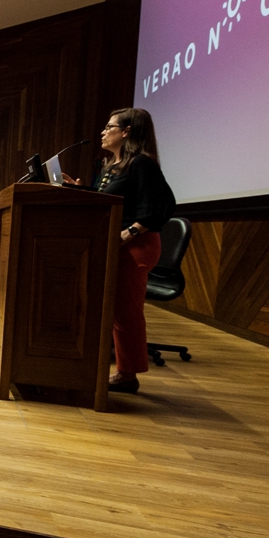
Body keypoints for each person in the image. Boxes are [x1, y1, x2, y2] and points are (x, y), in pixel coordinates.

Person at [71, 108, 176, 394]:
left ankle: (128, 375)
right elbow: (115, 203)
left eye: (110, 127)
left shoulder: (141, 164)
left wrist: (130, 232)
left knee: (126, 311)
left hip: (136, 247)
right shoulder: (112, 165)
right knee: (115, 309)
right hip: (115, 246)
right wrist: (82, 192)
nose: (103, 132)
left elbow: (162, 205)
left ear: (127, 131)